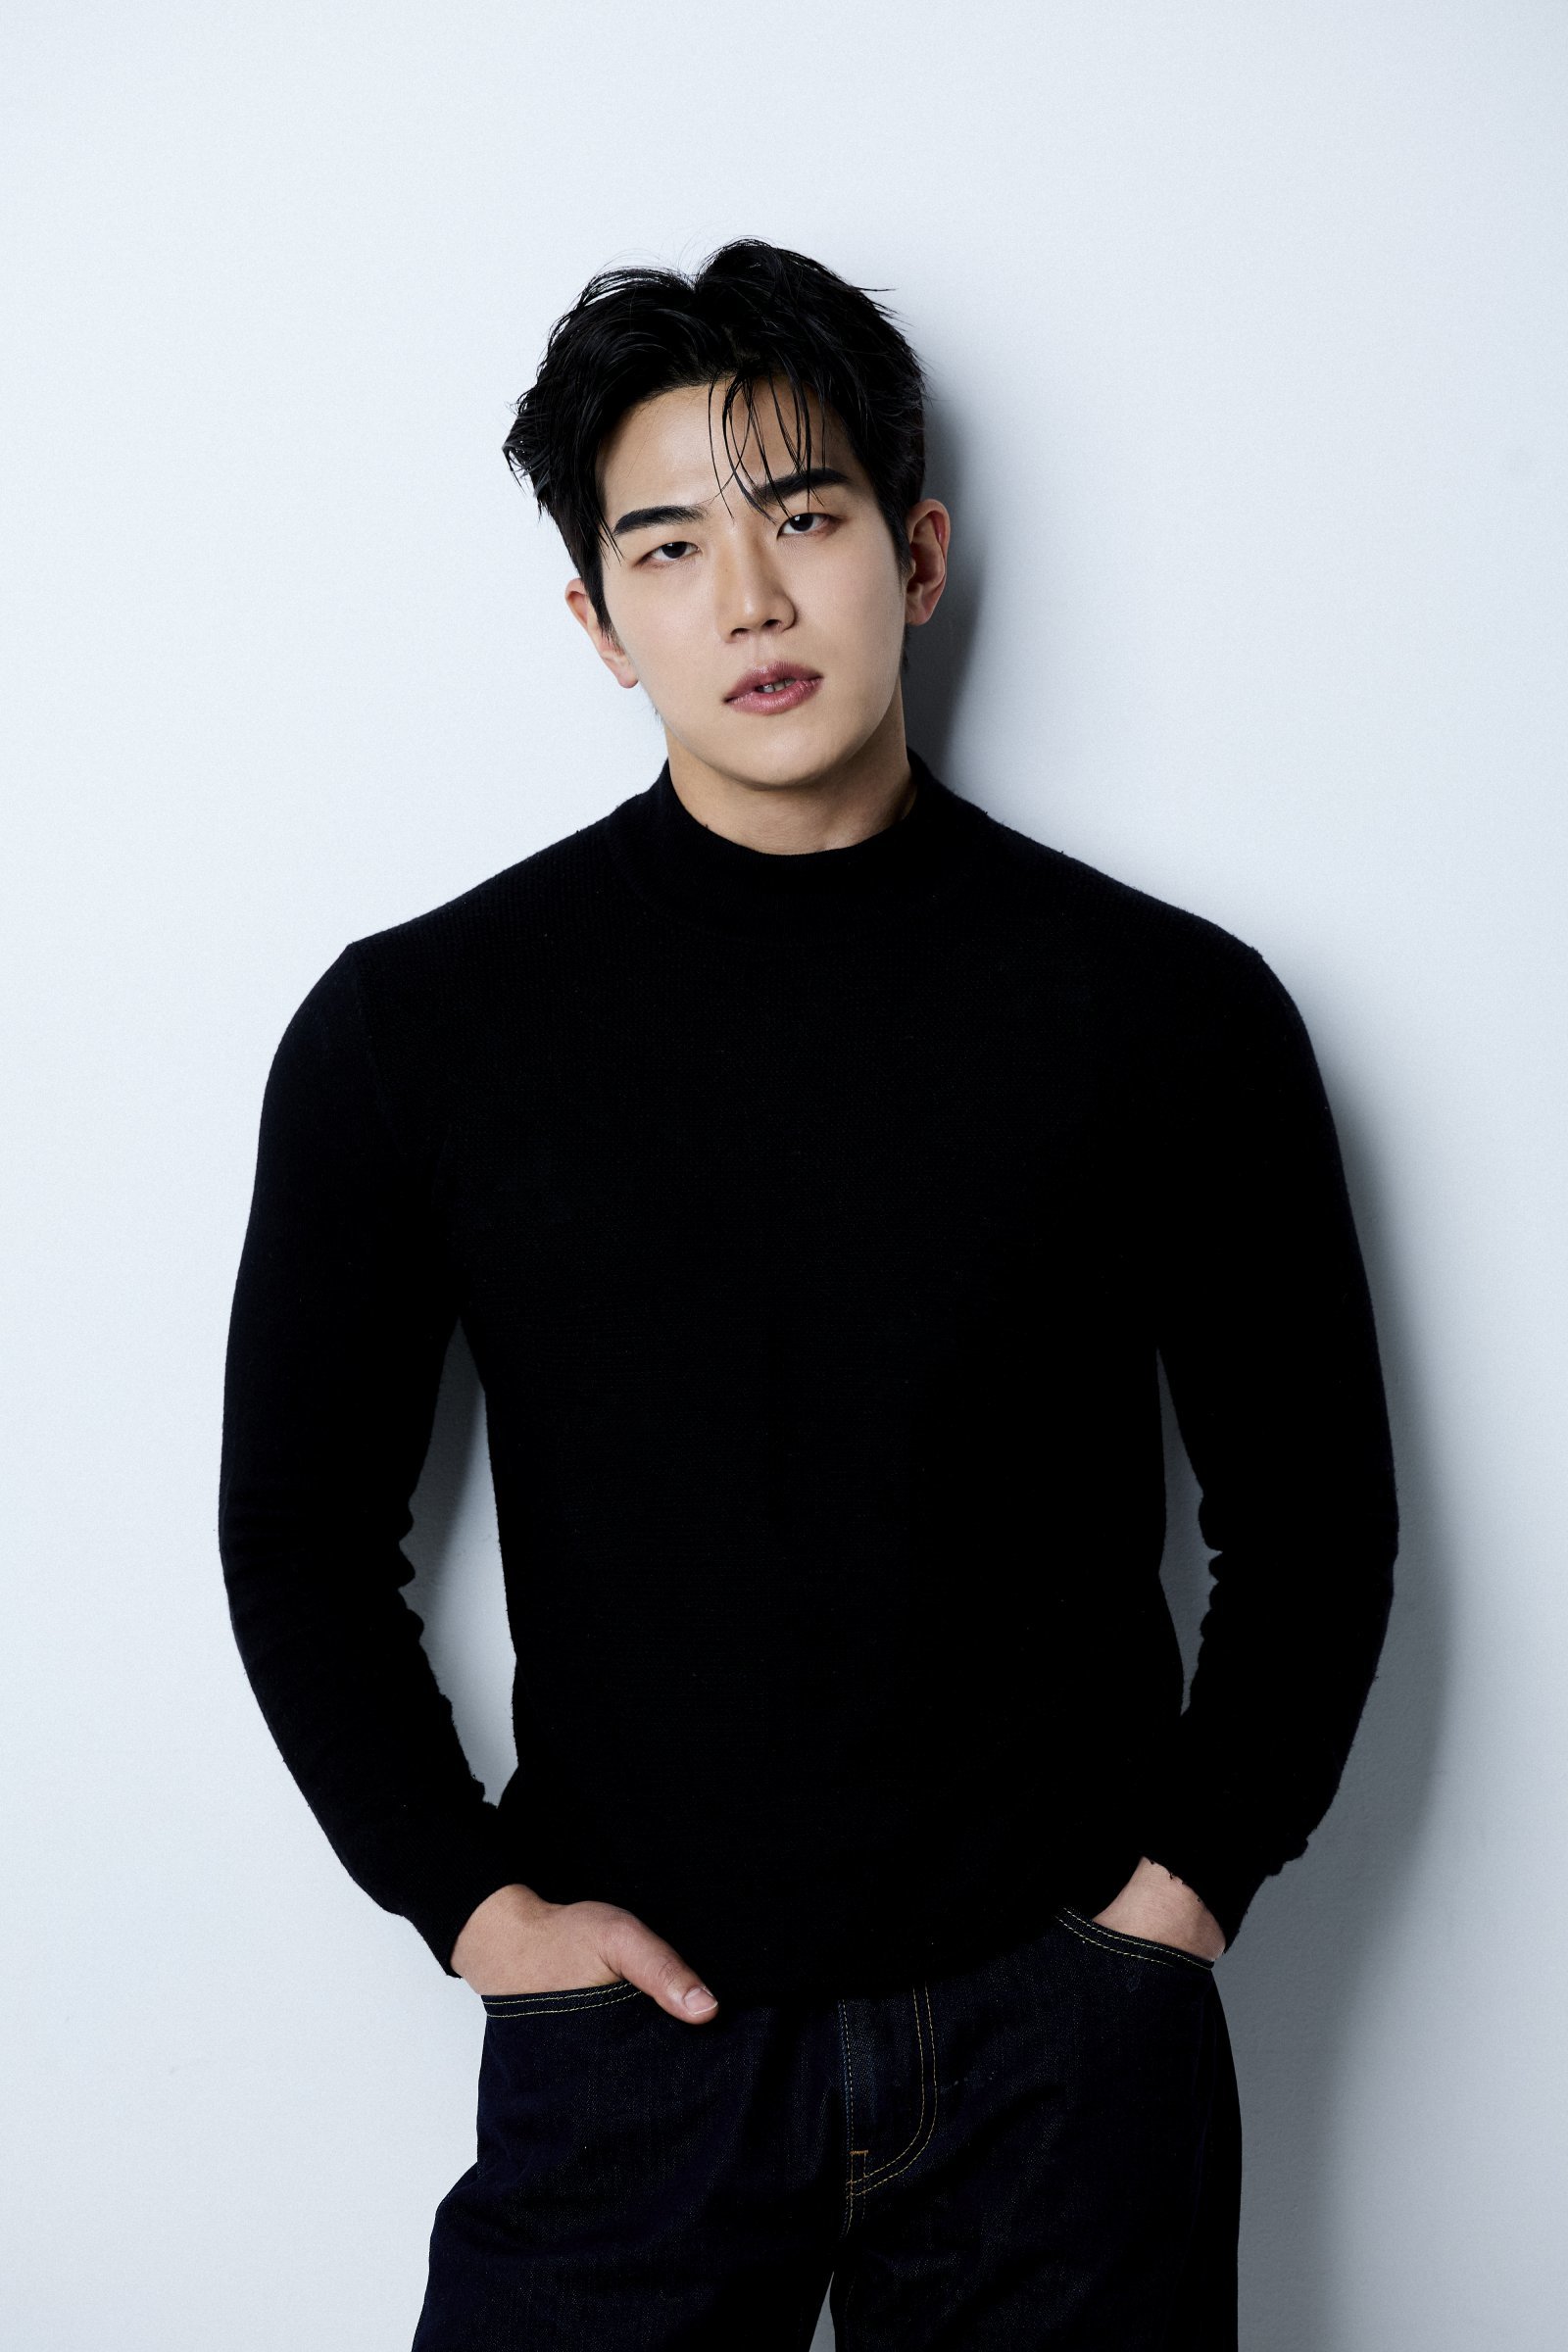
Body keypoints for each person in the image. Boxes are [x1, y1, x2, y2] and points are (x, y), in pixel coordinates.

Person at [218, 238, 1398, 2348]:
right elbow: (300, 1530)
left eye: (805, 517)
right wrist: (468, 1904)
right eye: (667, 547)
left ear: (916, 556)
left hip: (1061, 2046)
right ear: (597, 621)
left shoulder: (1169, 1013)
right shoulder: (422, 1030)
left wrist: (1173, 1905)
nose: (749, 600)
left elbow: (1311, 1522)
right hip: (633, 2049)